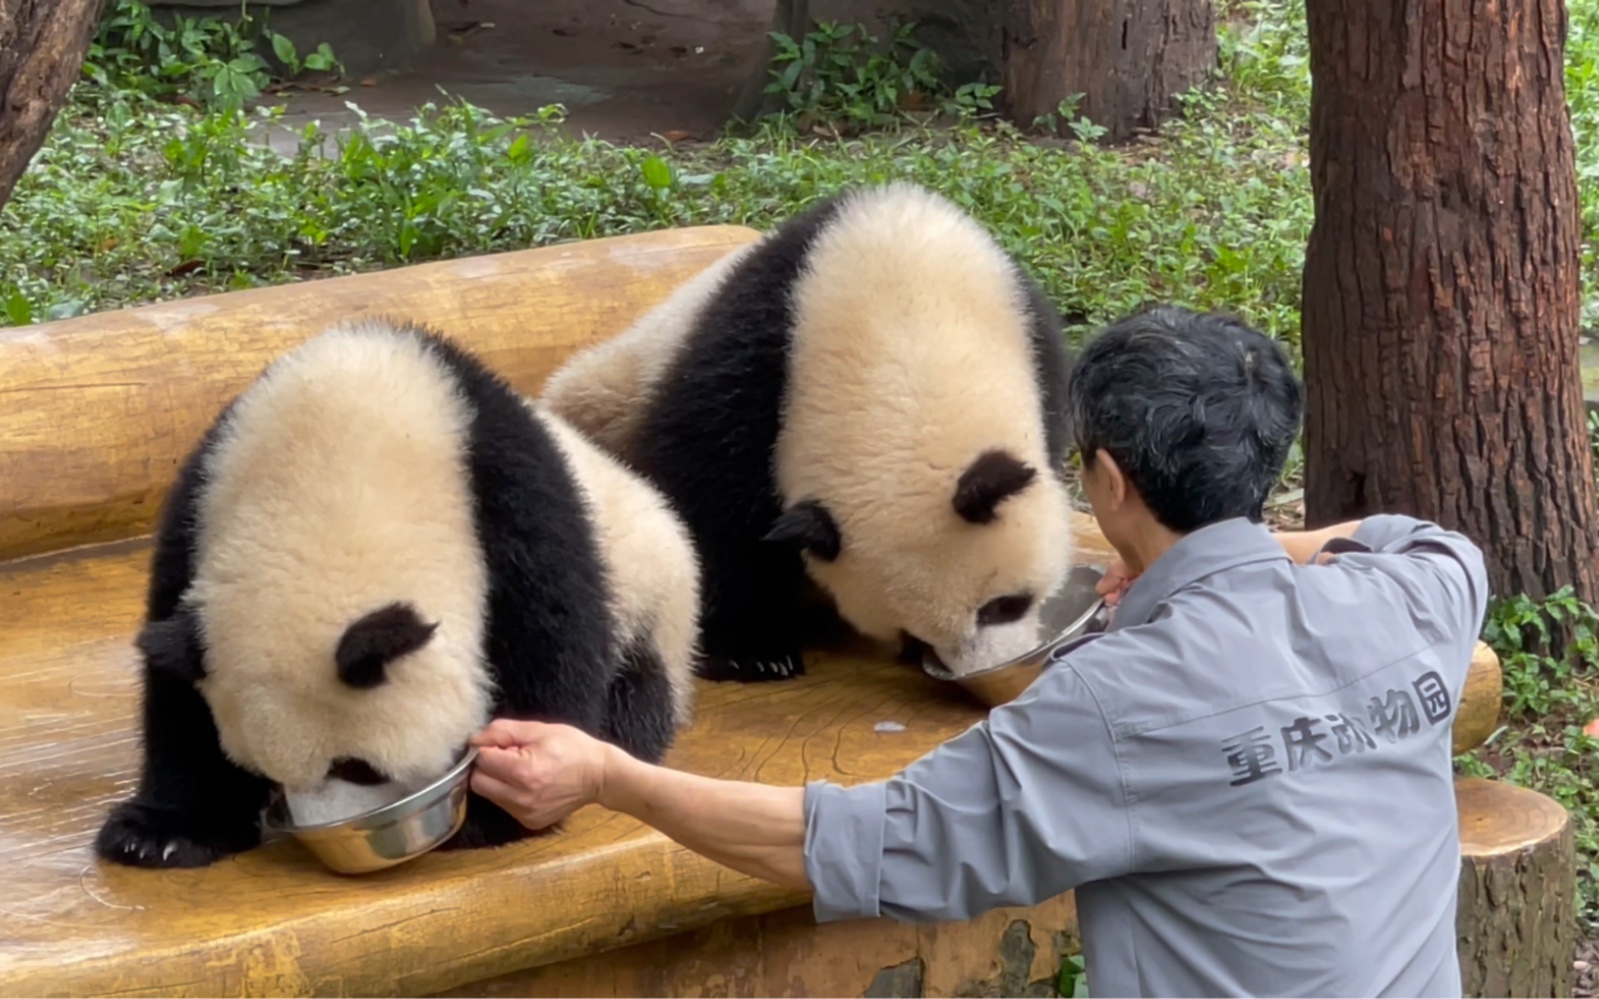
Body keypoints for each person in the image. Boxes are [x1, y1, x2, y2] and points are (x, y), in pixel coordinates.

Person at [468, 306, 1488, 998]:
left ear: (1106, 481)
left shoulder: (1117, 701)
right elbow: (1425, 538)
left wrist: (609, 775)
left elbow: (847, 845)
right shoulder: (1411, 598)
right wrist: (1244, 551)